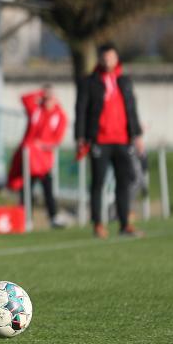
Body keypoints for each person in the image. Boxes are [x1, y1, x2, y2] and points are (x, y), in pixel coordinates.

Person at [75, 43, 144, 238]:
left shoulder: (125, 81)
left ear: (116, 58)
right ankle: (98, 224)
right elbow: (81, 109)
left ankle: (124, 224)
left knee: (124, 182)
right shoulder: (89, 82)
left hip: (123, 140)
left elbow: (132, 109)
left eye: (111, 58)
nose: (108, 61)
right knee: (98, 183)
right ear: (99, 59)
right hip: (99, 140)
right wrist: (80, 137)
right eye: (104, 58)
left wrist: (137, 135)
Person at [7, 85, 67, 227]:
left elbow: (56, 140)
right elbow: (24, 98)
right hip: (28, 159)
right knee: (26, 189)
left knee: (48, 190)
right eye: (46, 98)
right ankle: (25, 218)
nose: (47, 101)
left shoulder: (60, 116)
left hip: (44, 161)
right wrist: (41, 92)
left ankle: (53, 217)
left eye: (50, 98)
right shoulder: (36, 110)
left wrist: (42, 145)